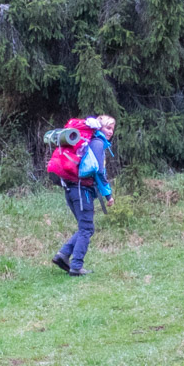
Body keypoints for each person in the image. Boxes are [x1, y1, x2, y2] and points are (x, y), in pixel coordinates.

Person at [52, 115, 114, 277]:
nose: (111, 132)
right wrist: (108, 195)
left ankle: (63, 255)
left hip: (71, 189)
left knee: (85, 228)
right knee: (87, 229)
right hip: (82, 191)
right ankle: (76, 266)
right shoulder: (97, 143)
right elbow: (99, 172)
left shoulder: (88, 143)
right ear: (99, 128)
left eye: (112, 128)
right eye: (108, 128)